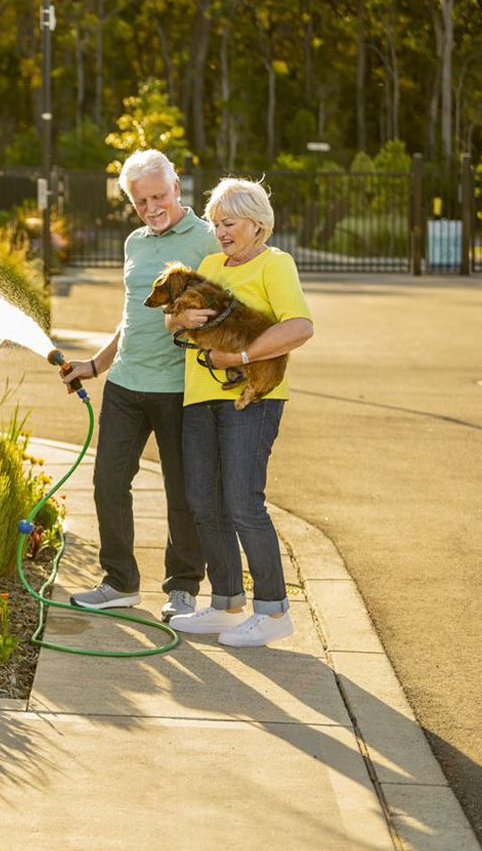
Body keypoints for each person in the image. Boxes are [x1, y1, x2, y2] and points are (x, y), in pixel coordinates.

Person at [60, 150, 220, 621]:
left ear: (177, 187)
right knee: (108, 481)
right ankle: (119, 582)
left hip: (181, 387)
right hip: (127, 383)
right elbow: (131, 319)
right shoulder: (134, 243)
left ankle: (184, 587)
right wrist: (95, 364)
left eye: (158, 196)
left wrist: (192, 320)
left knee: (182, 491)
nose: (151, 207)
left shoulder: (210, 240)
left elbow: (224, 308)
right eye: (140, 200)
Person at [164, 177, 314, 647]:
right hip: (199, 397)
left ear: (256, 223)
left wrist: (241, 358)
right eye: (215, 224)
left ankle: (273, 612)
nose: (220, 232)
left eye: (228, 223)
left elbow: (299, 326)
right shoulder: (209, 264)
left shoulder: (276, 264)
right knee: (204, 502)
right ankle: (227, 603)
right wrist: (178, 318)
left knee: (242, 501)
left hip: (253, 397)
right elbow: (174, 315)